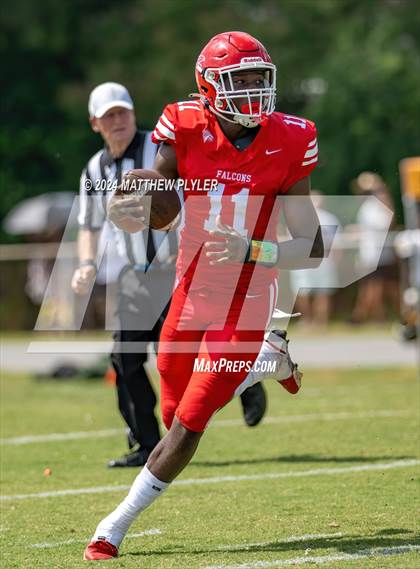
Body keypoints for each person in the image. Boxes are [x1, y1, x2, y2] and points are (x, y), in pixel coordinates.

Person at [84, 31, 323, 560]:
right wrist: (132, 203)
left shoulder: (291, 138)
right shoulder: (185, 125)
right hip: (190, 291)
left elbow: (312, 247)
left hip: (248, 297)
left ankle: (113, 526)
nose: (255, 91)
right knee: (175, 409)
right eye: (242, 80)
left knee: (189, 423)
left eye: (260, 79)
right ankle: (265, 364)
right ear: (210, 86)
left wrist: (252, 249)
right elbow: (160, 195)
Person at [72, 82, 268, 468]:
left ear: (133, 113)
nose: (118, 120)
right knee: (124, 360)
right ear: (95, 123)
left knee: (184, 353)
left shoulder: (160, 147)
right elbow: (88, 226)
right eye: (109, 116)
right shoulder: (94, 169)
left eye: (123, 112)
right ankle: (147, 444)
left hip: (178, 268)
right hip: (134, 275)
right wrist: (86, 264)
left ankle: (247, 382)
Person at [351, 172, 399, 323]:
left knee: (376, 286)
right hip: (374, 254)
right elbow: (387, 224)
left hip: (377, 254)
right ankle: (373, 317)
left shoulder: (373, 207)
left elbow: (386, 225)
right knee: (375, 286)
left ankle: (367, 317)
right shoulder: (371, 207)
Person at [290, 191, 341, 326]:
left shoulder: (297, 218)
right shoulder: (330, 218)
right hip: (323, 260)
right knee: (322, 292)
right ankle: (320, 322)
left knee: (303, 291)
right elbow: (337, 245)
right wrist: (336, 261)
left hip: (304, 260)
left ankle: (308, 320)